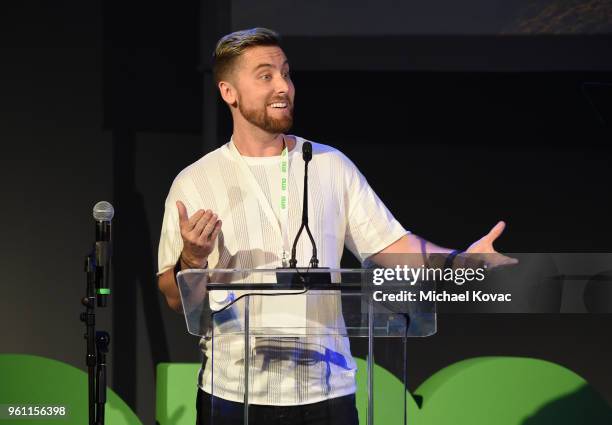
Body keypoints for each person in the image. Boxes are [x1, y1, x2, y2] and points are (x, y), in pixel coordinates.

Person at [157, 27, 513, 425]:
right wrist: (193, 256)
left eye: (286, 74)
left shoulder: (329, 164)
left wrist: (459, 262)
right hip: (232, 395)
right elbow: (174, 298)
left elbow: (389, 247)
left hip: (326, 394)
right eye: (265, 75)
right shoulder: (196, 181)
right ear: (228, 92)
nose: (283, 87)